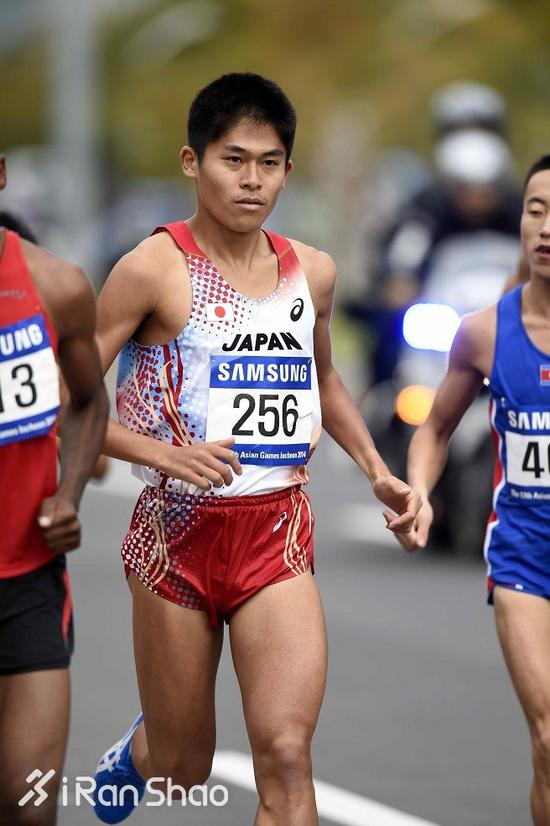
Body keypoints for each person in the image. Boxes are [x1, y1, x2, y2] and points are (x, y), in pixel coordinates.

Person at [92, 72, 422, 825]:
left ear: (288, 171)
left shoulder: (313, 272)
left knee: (286, 755)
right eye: (233, 160)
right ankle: (145, 752)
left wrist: (378, 471)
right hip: (175, 534)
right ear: (192, 162)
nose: (251, 180)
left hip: (276, 530)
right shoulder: (151, 269)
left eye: (269, 163)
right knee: (182, 769)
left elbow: (324, 378)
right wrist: (163, 455)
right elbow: (65, 401)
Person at [392, 154, 550, 826]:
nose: (546, 227)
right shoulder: (484, 332)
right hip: (524, 557)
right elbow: (434, 429)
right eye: (537, 209)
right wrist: (421, 492)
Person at [0, 153, 109, 826]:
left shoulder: (57, 286)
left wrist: (68, 495)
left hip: (27, 580)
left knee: (29, 806)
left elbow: (90, 403)